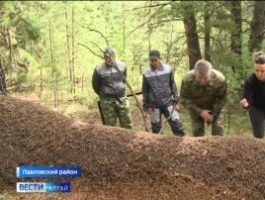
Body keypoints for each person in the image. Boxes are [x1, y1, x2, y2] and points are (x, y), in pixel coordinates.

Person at [142, 50, 185, 136]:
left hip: (168, 103)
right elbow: (145, 91)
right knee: (156, 129)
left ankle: (182, 143)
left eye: (155, 60)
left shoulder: (168, 69)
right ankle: (159, 146)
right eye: (151, 60)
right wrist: (146, 108)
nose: (153, 62)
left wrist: (175, 101)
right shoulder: (146, 73)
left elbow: (173, 85)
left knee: (177, 125)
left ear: (159, 59)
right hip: (153, 106)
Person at [180, 59, 227, 136]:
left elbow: (221, 100)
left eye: (206, 77)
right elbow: (184, 99)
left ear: (210, 73)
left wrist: (213, 115)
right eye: (200, 77)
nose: (203, 81)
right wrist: (200, 112)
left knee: (218, 130)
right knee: (197, 131)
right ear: (195, 73)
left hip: (215, 107)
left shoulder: (220, 79)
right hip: (196, 107)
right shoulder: (187, 80)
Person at [92, 48, 132, 129]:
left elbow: (124, 80)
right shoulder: (98, 69)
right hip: (107, 102)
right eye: (106, 57)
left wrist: (120, 90)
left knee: (127, 125)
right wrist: (104, 94)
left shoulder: (122, 66)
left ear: (114, 56)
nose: (109, 59)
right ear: (104, 57)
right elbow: (95, 85)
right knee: (110, 128)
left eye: (111, 57)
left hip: (122, 99)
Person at [240, 52, 265, 138]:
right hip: (256, 108)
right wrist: (245, 104)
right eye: (257, 71)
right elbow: (247, 101)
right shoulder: (250, 81)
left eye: (262, 71)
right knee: (258, 135)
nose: (259, 74)